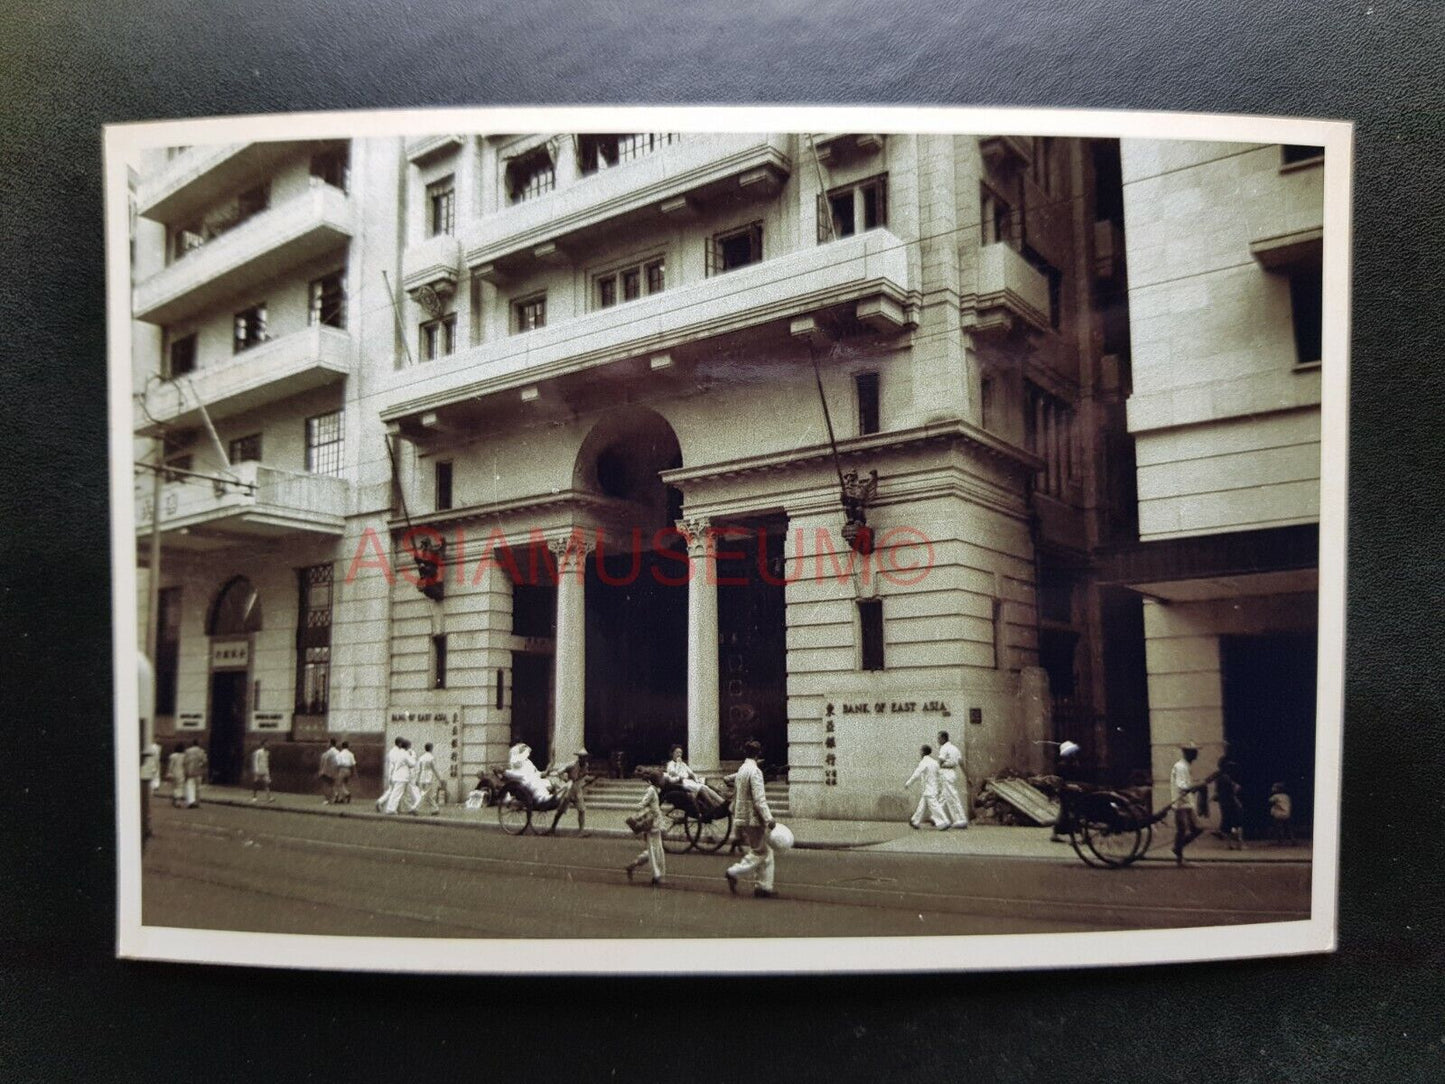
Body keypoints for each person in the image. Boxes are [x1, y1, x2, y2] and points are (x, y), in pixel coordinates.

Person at [725, 739, 777, 899]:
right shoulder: (755, 772)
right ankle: (734, 872)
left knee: (764, 851)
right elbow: (759, 799)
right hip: (754, 818)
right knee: (761, 851)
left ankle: (763, 886)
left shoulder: (742, 769)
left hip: (743, 816)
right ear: (758, 754)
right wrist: (769, 819)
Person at [625, 770, 666, 886]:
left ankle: (632, 865)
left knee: (655, 850)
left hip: (656, 823)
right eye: (662, 778)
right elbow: (642, 804)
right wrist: (636, 813)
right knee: (654, 851)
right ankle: (656, 876)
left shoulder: (655, 790)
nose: (663, 780)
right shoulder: (651, 791)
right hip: (651, 825)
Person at [1170, 742, 1207, 865]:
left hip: (1187, 803)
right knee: (1182, 830)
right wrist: (1197, 785)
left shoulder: (1185, 766)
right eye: (1194, 752)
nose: (1196, 754)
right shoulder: (1181, 767)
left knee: (1196, 829)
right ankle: (1178, 854)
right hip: (1181, 804)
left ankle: (1177, 849)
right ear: (1188, 753)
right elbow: (1182, 786)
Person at [903, 744, 948, 830]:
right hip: (933, 788)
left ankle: (943, 822)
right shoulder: (935, 762)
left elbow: (916, 774)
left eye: (920, 751)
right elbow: (940, 775)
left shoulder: (924, 763)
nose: (920, 753)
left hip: (928, 789)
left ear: (923, 752)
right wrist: (940, 787)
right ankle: (914, 821)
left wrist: (908, 783)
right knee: (922, 806)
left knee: (935, 807)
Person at [550, 747, 593, 836]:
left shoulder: (586, 765)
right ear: (579, 758)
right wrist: (564, 779)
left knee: (582, 810)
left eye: (585, 757)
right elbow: (559, 771)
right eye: (581, 757)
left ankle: (581, 831)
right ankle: (552, 828)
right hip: (569, 789)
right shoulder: (572, 765)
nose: (583, 759)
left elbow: (584, 776)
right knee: (561, 810)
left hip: (577, 790)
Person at [1049, 740, 1083, 843]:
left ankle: (1056, 834)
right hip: (1066, 791)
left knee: (1065, 813)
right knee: (1071, 814)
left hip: (1069, 791)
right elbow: (1061, 782)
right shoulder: (1063, 766)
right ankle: (1077, 836)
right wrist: (1071, 786)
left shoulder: (1072, 764)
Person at [936, 731, 969, 829]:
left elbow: (940, 763)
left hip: (945, 772)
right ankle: (938, 818)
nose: (938, 740)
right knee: (943, 796)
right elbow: (961, 763)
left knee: (952, 796)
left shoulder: (944, 748)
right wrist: (967, 776)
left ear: (943, 738)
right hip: (952, 773)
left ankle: (961, 820)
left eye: (939, 738)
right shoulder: (955, 749)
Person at [1213, 757, 1245, 850]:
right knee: (1237, 823)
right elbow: (1234, 790)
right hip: (1232, 802)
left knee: (1227, 824)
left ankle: (1229, 844)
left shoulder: (1218, 778)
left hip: (1224, 803)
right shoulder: (1227, 778)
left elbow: (1217, 793)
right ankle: (1239, 844)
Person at [411, 742, 443, 815]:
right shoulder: (431, 758)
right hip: (429, 777)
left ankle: (435, 809)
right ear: (431, 748)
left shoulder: (421, 758)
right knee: (425, 794)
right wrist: (439, 778)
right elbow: (435, 769)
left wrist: (417, 779)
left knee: (428, 795)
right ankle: (415, 807)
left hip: (422, 777)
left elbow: (418, 769)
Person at [181, 740, 207, 808]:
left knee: (190, 787)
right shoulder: (201, 751)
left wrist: (185, 771)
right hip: (198, 771)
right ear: (198, 744)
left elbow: (184, 762)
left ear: (192, 744)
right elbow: (204, 761)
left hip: (189, 772)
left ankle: (190, 801)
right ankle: (197, 802)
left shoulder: (187, 751)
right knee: (198, 788)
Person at [250, 739, 274, 803]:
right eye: (266, 744)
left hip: (265, 770)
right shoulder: (258, 752)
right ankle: (254, 797)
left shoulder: (267, 753)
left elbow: (267, 762)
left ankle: (269, 797)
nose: (268, 745)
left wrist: (267, 771)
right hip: (258, 770)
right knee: (256, 783)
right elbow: (255, 761)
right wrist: (256, 770)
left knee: (267, 784)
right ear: (263, 745)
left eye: (268, 744)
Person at [318, 739, 340, 804]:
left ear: (330, 744)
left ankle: (327, 799)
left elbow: (325, 762)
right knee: (333, 785)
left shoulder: (328, 753)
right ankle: (335, 795)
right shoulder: (338, 752)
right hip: (336, 771)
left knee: (327, 785)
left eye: (328, 743)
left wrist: (321, 771)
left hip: (328, 771)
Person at [166, 743, 186, 808]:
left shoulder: (173, 756)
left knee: (174, 787)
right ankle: (177, 801)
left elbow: (170, 765)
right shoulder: (184, 756)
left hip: (174, 772)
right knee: (180, 787)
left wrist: (169, 772)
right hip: (181, 773)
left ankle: (175, 800)